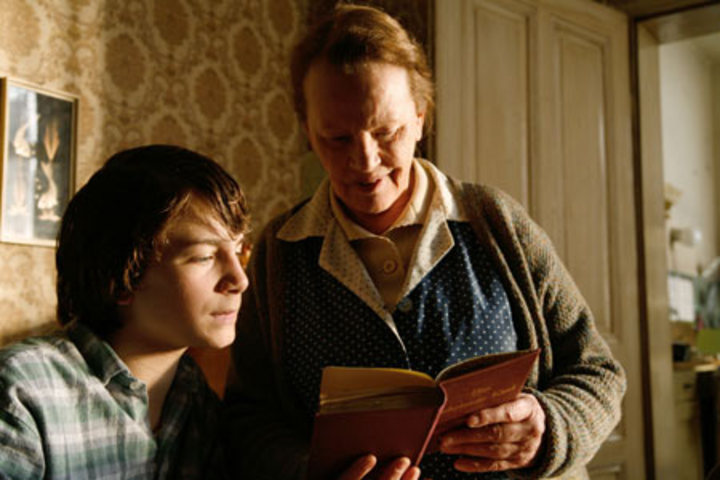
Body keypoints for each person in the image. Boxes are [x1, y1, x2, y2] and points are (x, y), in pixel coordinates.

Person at [223, 4, 626, 480]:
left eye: (386, 131)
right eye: (337, 138)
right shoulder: (279, 253)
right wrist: (307, 472)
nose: (365, 161)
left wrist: (549, 427)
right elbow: (247, 418)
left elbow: (598, 372)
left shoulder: (498, 224)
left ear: (419, 117)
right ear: (309, 133)